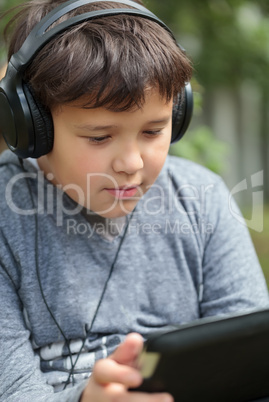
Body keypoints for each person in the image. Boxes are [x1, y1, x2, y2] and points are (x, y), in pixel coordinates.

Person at [0, 0, 268, 401]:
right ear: (31, 125)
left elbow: (250, 361)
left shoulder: (203, 200)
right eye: (99, 136)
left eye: (152, 131)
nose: (131, 163)